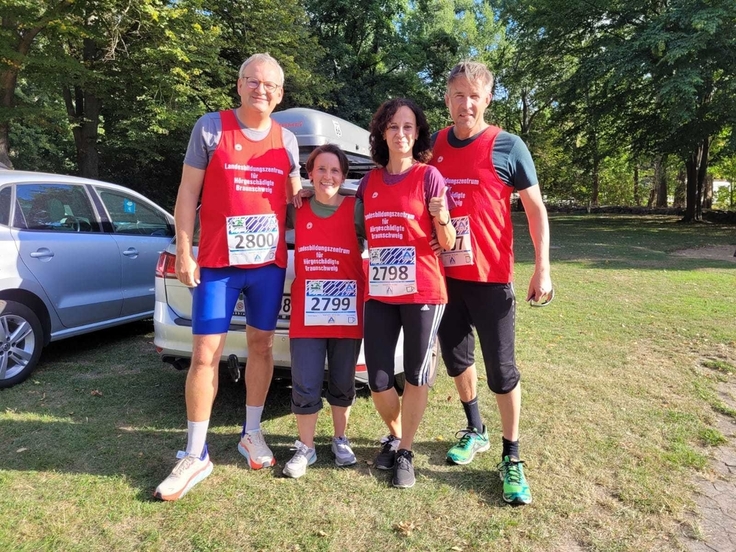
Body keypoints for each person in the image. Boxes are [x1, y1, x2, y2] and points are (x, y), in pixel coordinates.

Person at [155, 53, 302, 501]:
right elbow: (187, 192)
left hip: (267, 266)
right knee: (205, 354)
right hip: (217, 263)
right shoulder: (211, 127)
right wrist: (184, 248)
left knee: (261, 345)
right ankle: (195, 453)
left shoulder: (287, 141)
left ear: (280, 94)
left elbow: (299, 199)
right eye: (254, 82)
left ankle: (251, 432)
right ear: (239, 85)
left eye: (272, 85)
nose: (263, 90)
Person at [430, 60, 552, 505]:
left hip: (491, 279)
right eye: (458, 95)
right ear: (447, 99)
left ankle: (512, 456)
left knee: (502, 372)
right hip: (445, 279)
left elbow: (535, 208)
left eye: (474, 96)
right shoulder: (435, 145)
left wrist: (544, 267)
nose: (466, 103)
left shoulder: (508, 146)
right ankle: (475, 429)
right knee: (458, 361)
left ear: (487, 99)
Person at [356, 98, 456, 489]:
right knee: (378, 378)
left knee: (415, 373)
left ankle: (406, 451)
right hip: (380, 292)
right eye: (394, 126)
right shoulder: (369, 182)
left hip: (424, 291)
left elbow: (446, 242)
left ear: (418, 134)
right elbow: (358, 234)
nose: (401, 133)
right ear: (383, 132)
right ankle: (396, 436)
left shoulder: (430, 177)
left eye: (409, 127)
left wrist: (441, 216)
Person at [281, 144, 366, 478]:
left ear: (343, 176)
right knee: (305, 381)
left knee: (343, 380)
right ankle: (306, 447)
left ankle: (340, 438)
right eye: (321, 169)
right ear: (310, 172)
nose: (328, 176)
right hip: (307, 313)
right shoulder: (297, 208)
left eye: (335, 170)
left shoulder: (355, 208)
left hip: (346, 310)